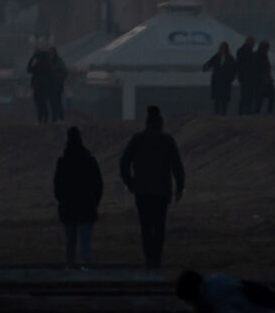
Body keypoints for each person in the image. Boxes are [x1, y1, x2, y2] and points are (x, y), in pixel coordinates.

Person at [119, 104, 186, 268]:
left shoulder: (137, 139)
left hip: (142, 192)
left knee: (146, 227)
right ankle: (157, 258)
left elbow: (123, 163)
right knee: (159, 226)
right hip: (162, 192)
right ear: (160, 124)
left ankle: (149, 258)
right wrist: (179, 187)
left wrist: (130, 182)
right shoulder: (167, 140)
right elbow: (177, 166)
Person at [52, 125, 103, 268]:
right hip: (86, 205)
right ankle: (84, 265)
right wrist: (94, 202)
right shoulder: (89, 161)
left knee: (70, 240)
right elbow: (98, 184)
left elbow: (57, 186)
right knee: (85, 240)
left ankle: (70, 265)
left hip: (68, 206)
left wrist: (62, 200)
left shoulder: (62, 162)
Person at [202, 43, 237, 115]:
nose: (221, 49)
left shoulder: (230, 58)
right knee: (217, 101)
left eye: (223, 48)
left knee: (224, 101)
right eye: (221, 47)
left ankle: (223, 115)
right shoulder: (216, 57)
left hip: (225, 82)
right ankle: (217, 115)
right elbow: (208, 64)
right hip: (217, 82)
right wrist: (205, 67)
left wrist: (231, 78)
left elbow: (233, 70)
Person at [249, 42, 275, 115]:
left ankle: (258, 112)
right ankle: (266, 112)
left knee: (260, 98)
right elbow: (262, 69)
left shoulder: (259, 55)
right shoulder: (261, 56)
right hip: (261, 81)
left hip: (262, 81)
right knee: (263, 97)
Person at [233, 38, 259, 114]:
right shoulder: (247, 52)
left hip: (244, 76)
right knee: (247, 95)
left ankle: (243, 111)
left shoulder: (241, 51)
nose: (254, 44)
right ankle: (245, 111)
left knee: (245, 95)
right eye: (253, 42)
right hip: (248, 77)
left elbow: (238, 64)